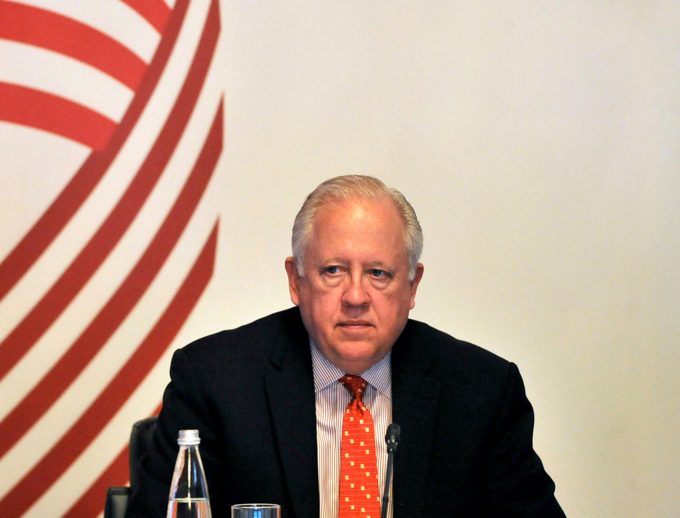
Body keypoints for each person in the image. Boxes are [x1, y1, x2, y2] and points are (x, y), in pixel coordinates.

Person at [127, 175, 565, 518]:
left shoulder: (481, 393)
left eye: (378, 273)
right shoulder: (215, 382)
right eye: (333, 270)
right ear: (296, 281)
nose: (356, 297)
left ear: (412, 286)